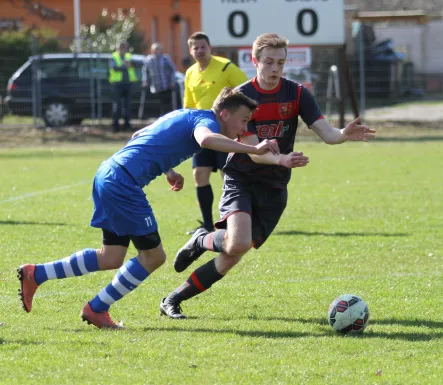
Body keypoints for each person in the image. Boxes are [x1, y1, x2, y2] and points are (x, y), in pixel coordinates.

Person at [17, 87, 280, 330]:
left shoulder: (186, 113)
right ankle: (96, 308)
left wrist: (167, 169)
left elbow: (138, 135)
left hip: (108, 173)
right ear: (225, 113)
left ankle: (37, 274)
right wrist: (252, 148)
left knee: (111, 257)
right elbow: (206, 140)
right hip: (123, 183)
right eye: (244, 120)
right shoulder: (207, 122)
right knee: (153, 257)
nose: (245, 127)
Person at [159, 33, 376, 319]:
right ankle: (202, 239)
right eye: (269, 62)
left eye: (281, 63)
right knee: (236, 243)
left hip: (274, 186)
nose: (275, 68)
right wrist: (282, 159)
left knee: (234, 255)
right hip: (242, 178)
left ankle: (172, 299)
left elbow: (327, 133)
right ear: (255, 60)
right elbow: (251, 150)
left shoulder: (297, 94)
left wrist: (343, 135)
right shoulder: (243, 97)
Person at [184, 32, 248, 235]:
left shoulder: (226, 67)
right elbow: (188, 105)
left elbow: (245, 91)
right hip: (202, 133)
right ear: (190, 51)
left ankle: (233, 219)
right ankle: (207, 224)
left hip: (224, 132)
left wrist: (239, 120)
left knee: (227, 175)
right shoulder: (190, 73)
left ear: (210, 47)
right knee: (199, 174)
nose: (200, 51)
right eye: (196, 47)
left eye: (203, 46)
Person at [142, 42, 179, 115]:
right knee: (159, 105)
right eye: (154, 49)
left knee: (167, 105)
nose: (156, 51)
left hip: (166, 85)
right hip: (156, 87)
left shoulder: (165, 58)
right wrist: (145, 81)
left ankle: (168, 118)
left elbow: (173, 70)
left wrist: (172, 81)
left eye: (158, 49)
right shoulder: (149, 60)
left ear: (161, 50)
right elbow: (145, 71)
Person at [109, 41, 138, 132]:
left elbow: (134, 65)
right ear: (118, 48)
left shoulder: (129, 56)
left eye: (125, 47)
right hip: (117, 84)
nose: (124, 49)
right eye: (122, 47)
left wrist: (126, 65)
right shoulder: (113, 57)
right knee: (117, 106)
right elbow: (114, 67)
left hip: (128, 84)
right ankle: (115, 126)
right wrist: (125, 66)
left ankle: (127, 126)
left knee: (127, 106)